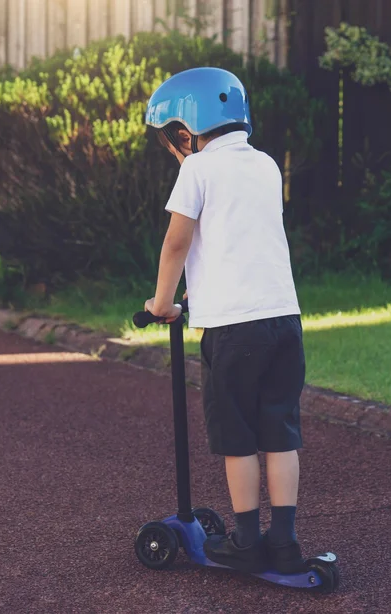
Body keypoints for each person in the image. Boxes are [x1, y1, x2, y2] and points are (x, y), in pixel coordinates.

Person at [143, 67, 307, 574]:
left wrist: (162, 303)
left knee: (238, 436)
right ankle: (284, 542)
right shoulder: (265, 165)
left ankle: (246, 542)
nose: (173, 150)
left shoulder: (197, 169)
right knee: (280, 431)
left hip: (234, 332)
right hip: (284, 320)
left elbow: (178, 241)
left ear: (185, 132)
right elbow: (241, 237)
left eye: (170, 140)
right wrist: (203, 285)